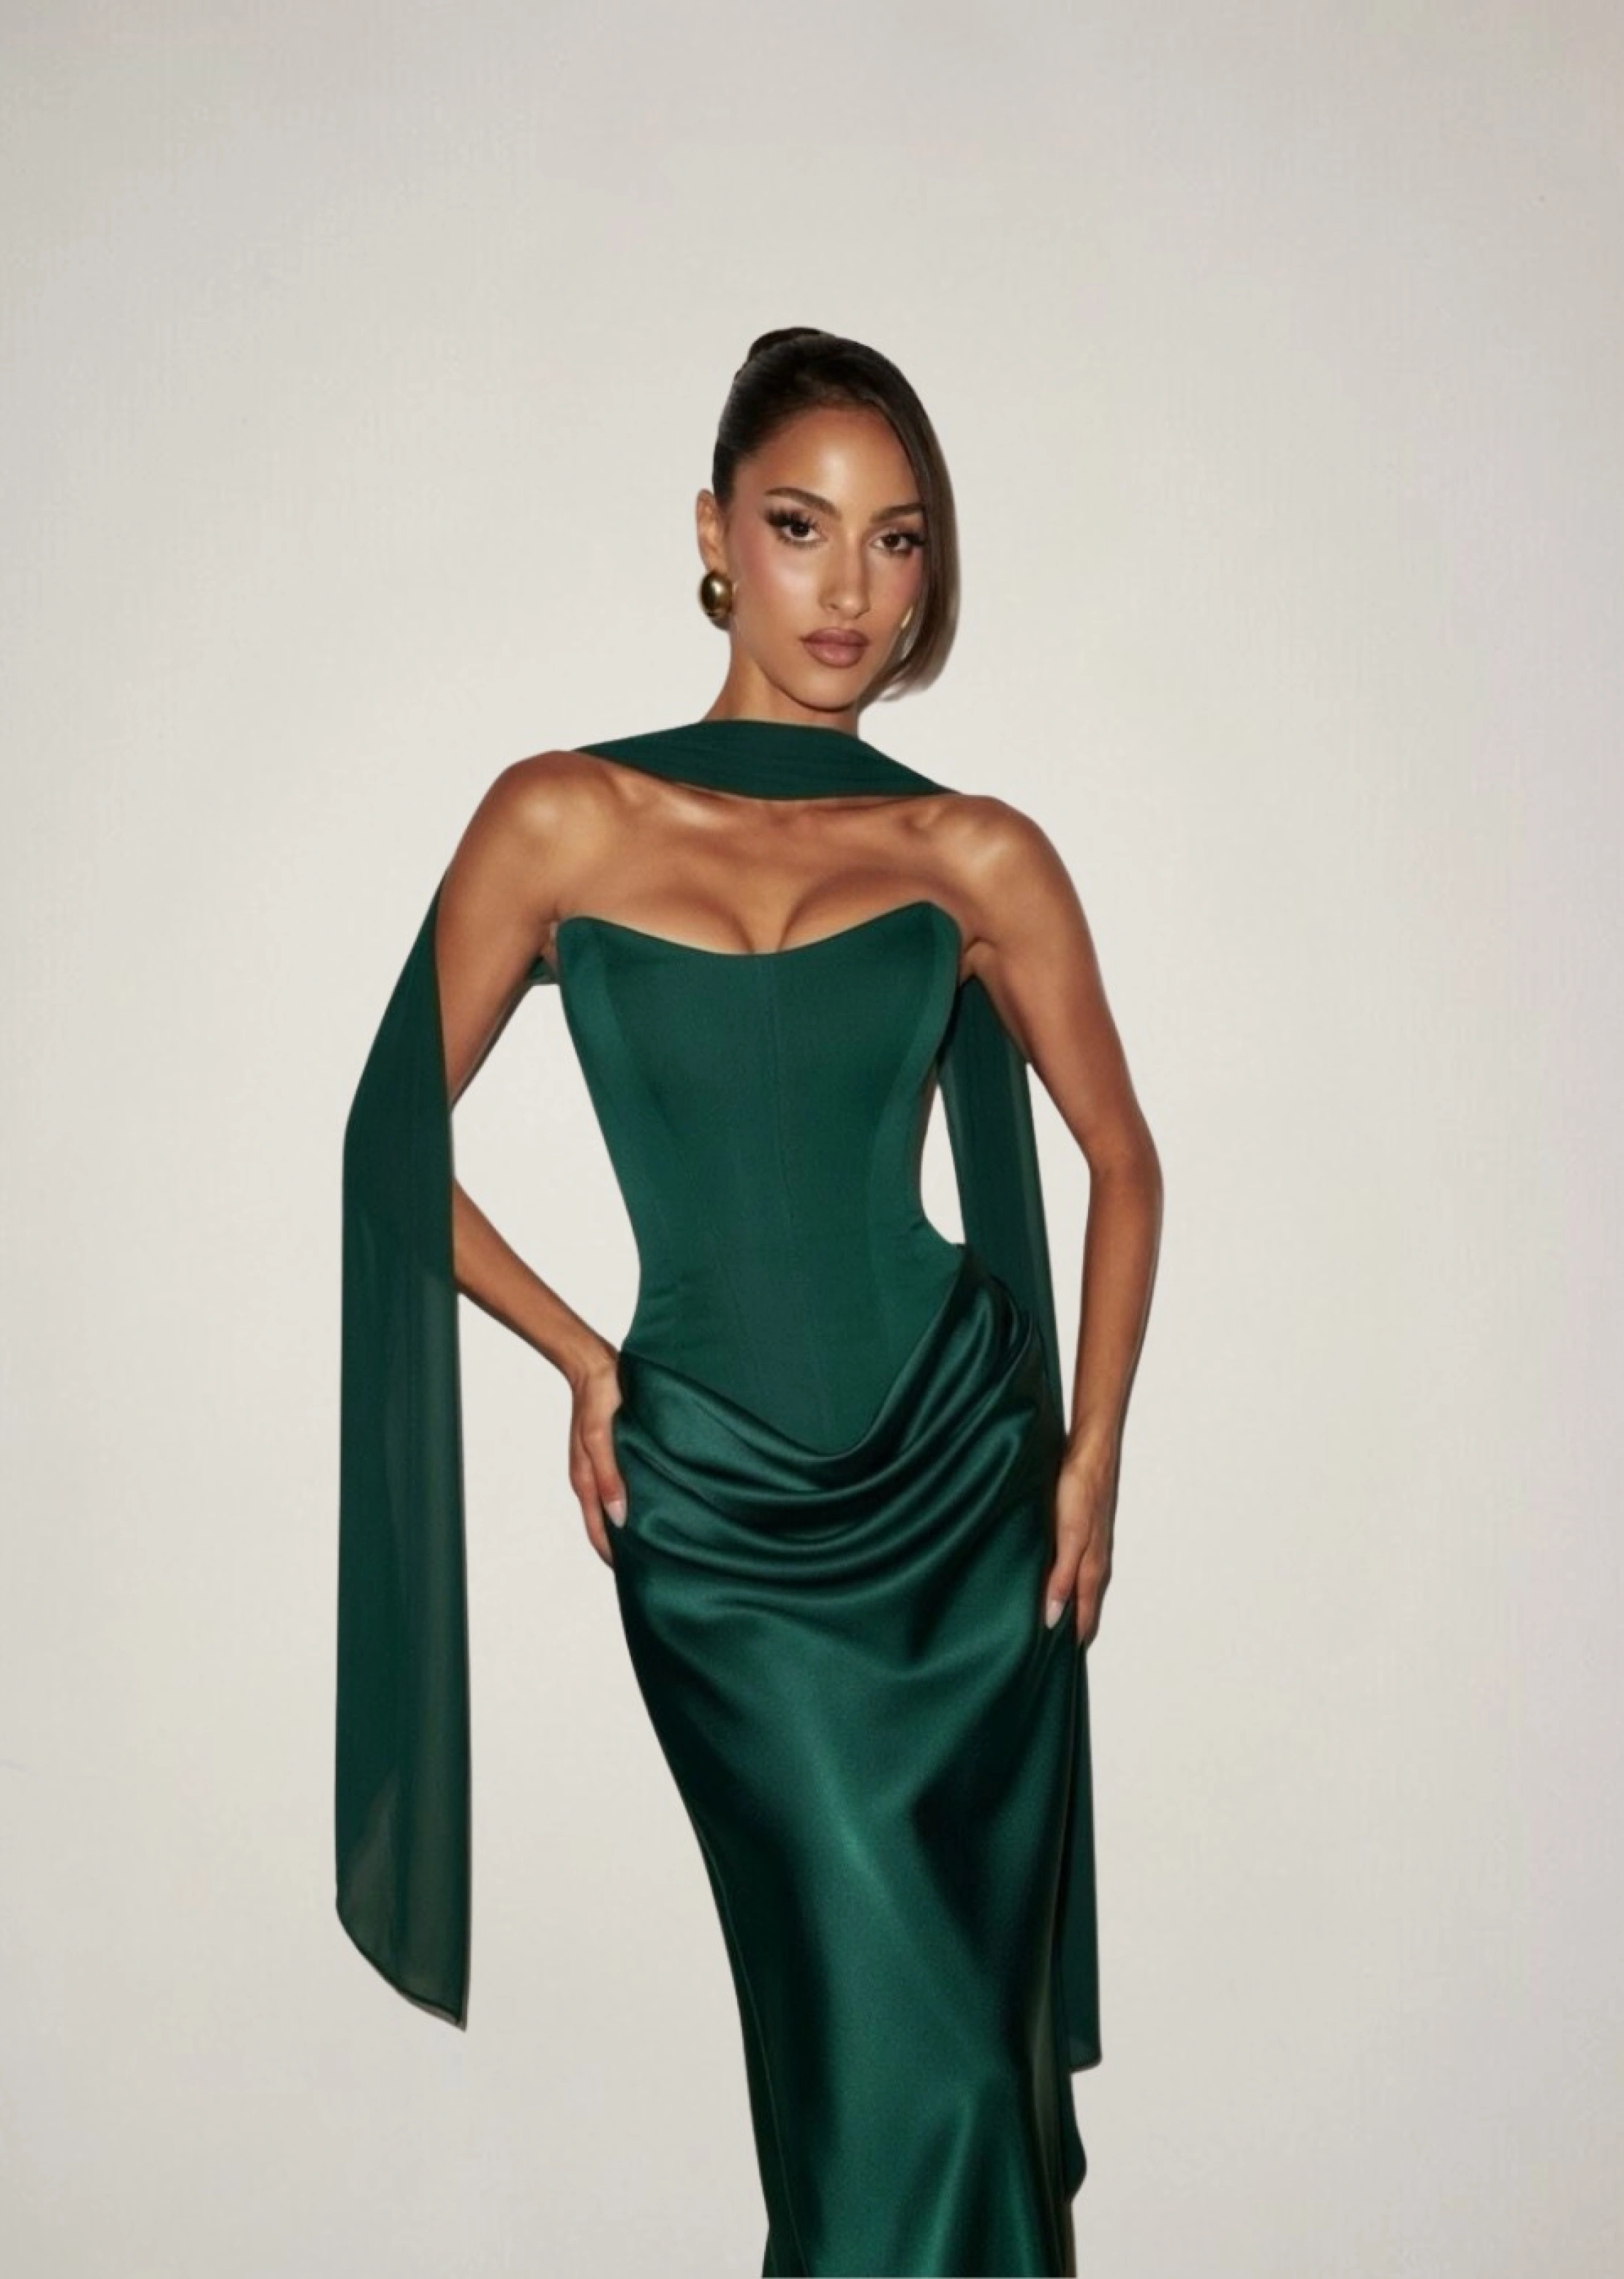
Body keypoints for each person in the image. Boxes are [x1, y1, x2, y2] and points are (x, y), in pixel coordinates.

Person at [335, 325, 1164, 2278]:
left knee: (945, 2080)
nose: (851, 589)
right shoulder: (561, 818)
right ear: (715, 537)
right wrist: (579, 1354)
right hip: (716, 1519)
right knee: (882, 2068)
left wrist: (1091, 1454)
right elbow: (382, 1143)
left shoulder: (974, 850)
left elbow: (1123, 1161)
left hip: (964, 1500)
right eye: (803, 528)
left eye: (898, 540)